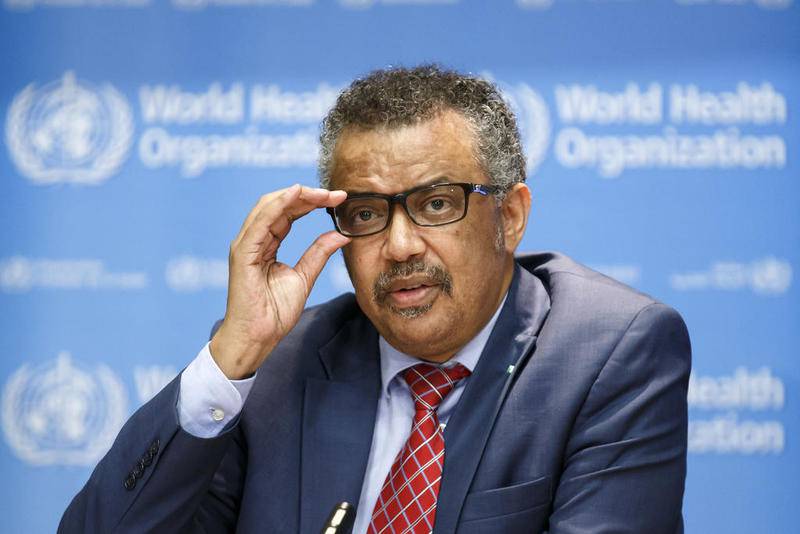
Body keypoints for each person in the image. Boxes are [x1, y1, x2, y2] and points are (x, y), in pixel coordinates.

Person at [59, 65, 691, 534]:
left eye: (437, 204)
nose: (398, 245)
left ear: (511, 216)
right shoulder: (281, 365)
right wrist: (231, 357)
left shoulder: (611, 350)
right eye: (365, 213)